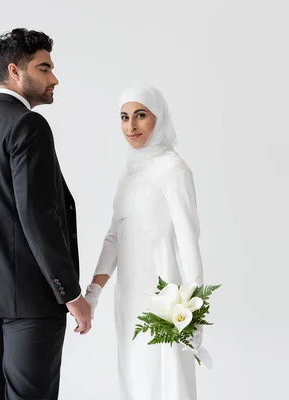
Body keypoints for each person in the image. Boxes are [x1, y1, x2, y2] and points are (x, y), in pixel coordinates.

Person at [0, 28, 91, 400]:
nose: (54, 78)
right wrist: (71, 293)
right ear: (14, 71)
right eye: (44, 68)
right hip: (29, 298)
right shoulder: (28, 125)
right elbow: (38, 217)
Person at [84, 85, 205, 400]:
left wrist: (194, 312)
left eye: (141, 116)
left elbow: (189, 243)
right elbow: (115, 236)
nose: (131, 126)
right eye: (124, 117)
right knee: (136, 379)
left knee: (167, 381)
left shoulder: (174, 170)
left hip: (166, 301)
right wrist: (93, 293)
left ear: (159, 118)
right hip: (129, 299)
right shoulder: (130, 172)